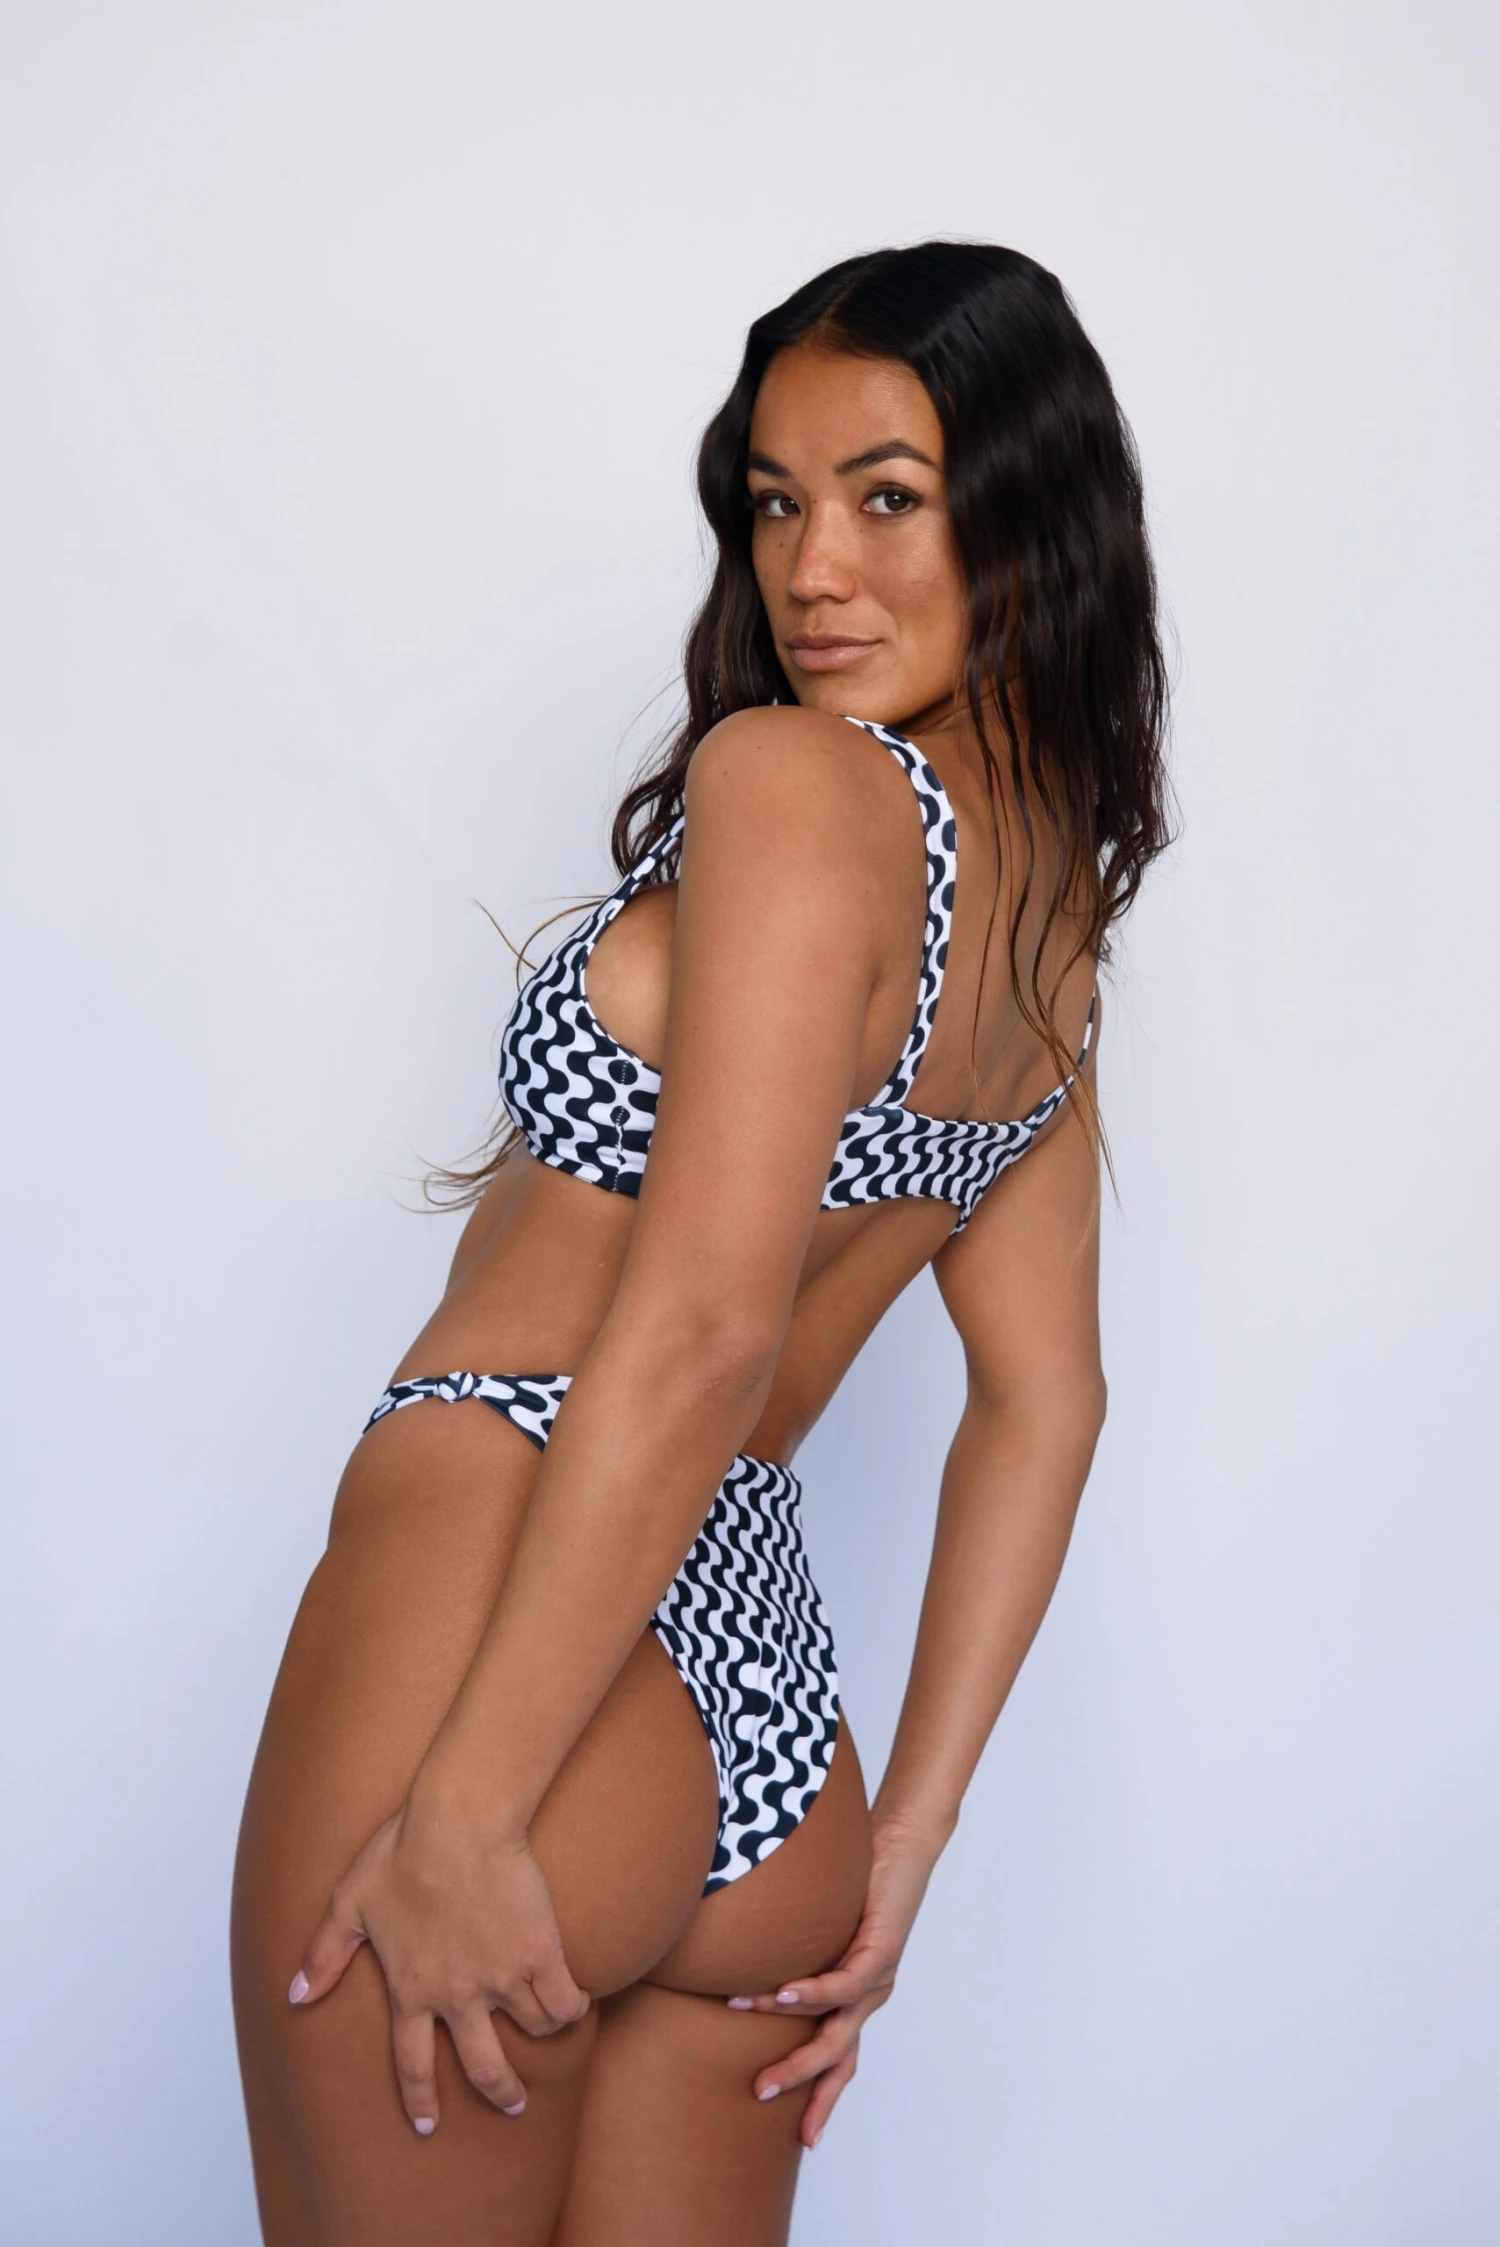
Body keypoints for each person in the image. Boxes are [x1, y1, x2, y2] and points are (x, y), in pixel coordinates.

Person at [230, 239, 1171, 2246]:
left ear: (1033, 512)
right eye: (774, 500)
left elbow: (708, 1324)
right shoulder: (1053, 934)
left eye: (889, 497)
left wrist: (470, 1804)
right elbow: (1048, 1402)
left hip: (513, 1608)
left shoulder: (800, 786)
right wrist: (898, 1839)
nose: (813, 568)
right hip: (767, 1707)